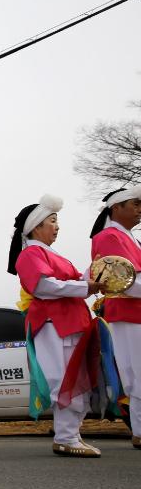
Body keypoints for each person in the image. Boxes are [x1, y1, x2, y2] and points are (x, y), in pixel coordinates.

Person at [9, 194, 101, 457]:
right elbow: (43, 286)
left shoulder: (52, 254)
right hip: (54, 324)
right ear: (36, 226)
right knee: (62, 379)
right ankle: (66, 437)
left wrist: (96, 272)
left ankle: (71, 434)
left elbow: (74, 282)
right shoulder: (30, 254)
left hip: (69, 322)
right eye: (52, 221)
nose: (57, 226)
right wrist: (85, 286)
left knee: (75, 378)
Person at [89, 185, 141, 449]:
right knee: (136, 372)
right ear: (116, 207)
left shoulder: (128, 237)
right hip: (129, 312)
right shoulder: (109, 236)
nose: (140, 210)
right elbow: (122, 281)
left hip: (134, 311)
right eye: (135, 204)